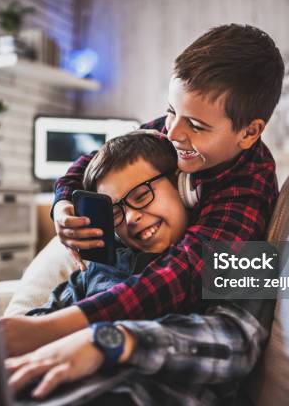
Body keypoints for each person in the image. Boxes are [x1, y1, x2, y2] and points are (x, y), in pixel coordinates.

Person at [2, 24, 284, 403]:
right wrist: (63, 202)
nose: (172, 133)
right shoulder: (172, 136)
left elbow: (186, 283)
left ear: (249, 133)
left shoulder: (247, 199)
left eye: (197, 126)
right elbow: (90, 162)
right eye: (171, 112)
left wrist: (79, 333)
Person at [25, 132, 188, 319]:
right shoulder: (100, 268)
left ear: (181, 186)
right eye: (115, 212)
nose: (130, 218)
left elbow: (225, 327)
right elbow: (38, 321)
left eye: (142, 196)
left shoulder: (216, 255)